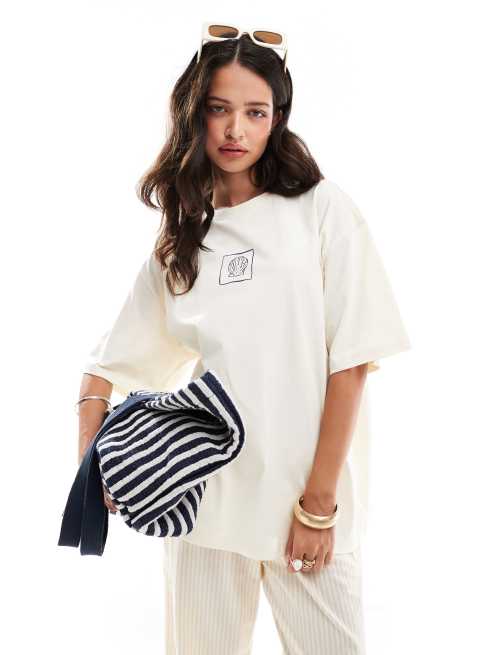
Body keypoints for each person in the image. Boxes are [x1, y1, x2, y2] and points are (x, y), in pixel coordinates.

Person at [77, 23, 411, 655]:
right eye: (219, 109)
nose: (235, 130)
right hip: (205, 509)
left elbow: (351, 364)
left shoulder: (322, 210)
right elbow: (105, 369)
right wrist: (92, 466)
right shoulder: (183, 239)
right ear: (194, 114)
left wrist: (317, 506)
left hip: (307, 511)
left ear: (276, 119)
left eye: (255, 112)